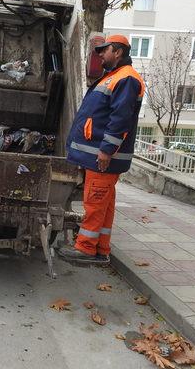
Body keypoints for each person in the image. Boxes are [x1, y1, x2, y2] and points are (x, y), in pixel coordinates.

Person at [58, 34, 145, 264]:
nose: (100, 55)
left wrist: (107, 150)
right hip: (101, 155)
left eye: (104, 51)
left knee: (94, 203)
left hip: (103, 156)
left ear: (117, 52)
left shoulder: (126, 79)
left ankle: (85, 248)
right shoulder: (116, 77)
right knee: (103, 204)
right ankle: (101, 248)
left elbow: (120, 119)